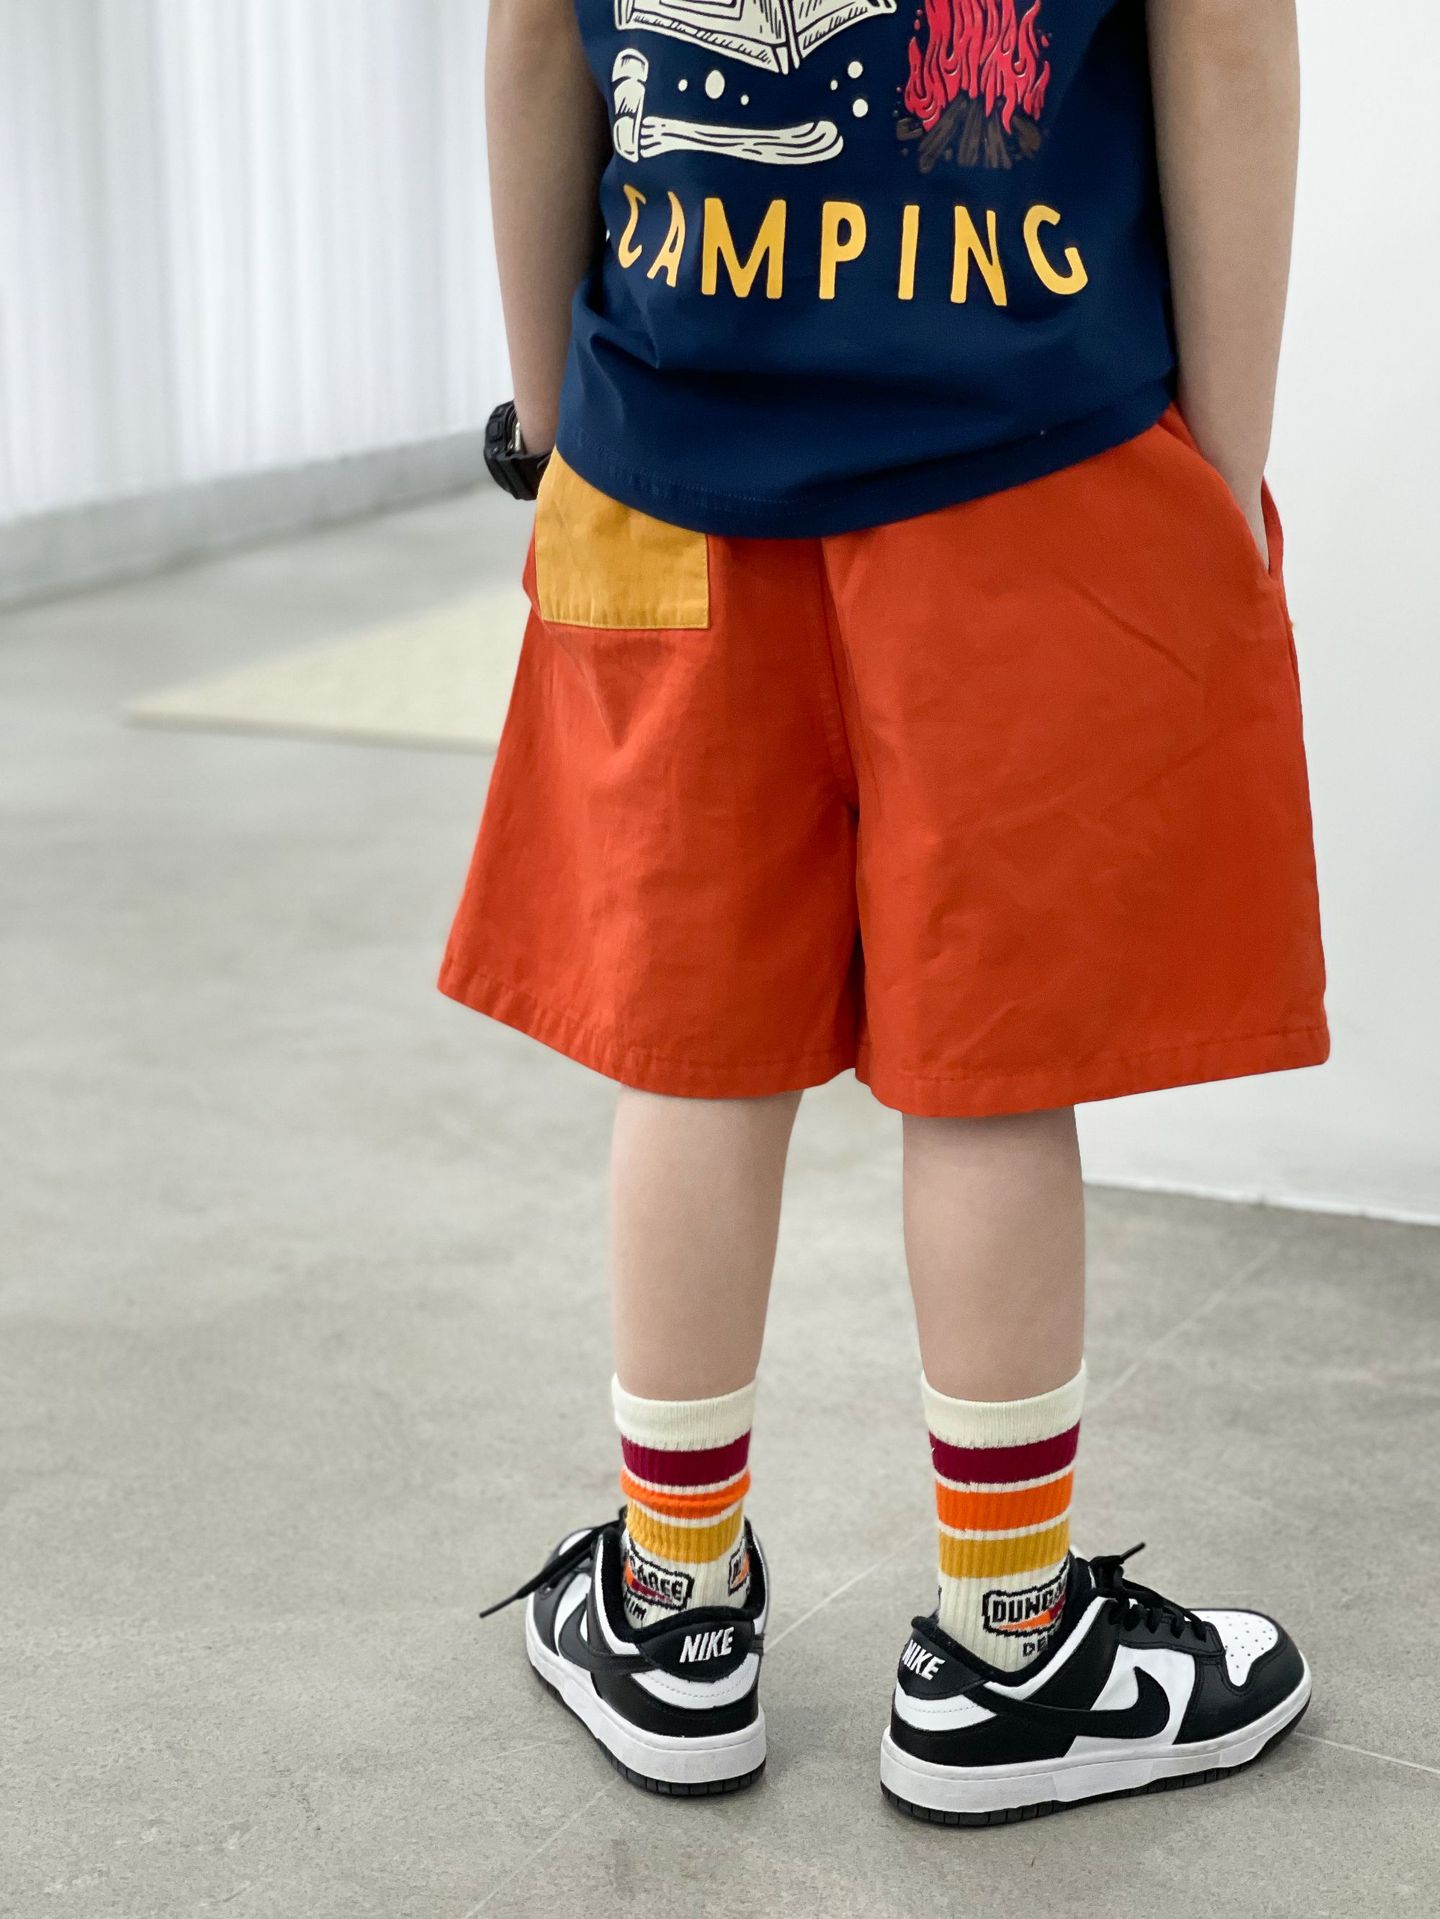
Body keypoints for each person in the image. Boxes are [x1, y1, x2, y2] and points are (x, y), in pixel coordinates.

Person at [447, 0, 1326, 1822]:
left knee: (694, 1045)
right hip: (1032, 455)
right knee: (991, 1061)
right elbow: (1228, 44)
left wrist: (549, 422)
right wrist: (1224, 468)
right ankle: (1011, 1651)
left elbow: (535, 48)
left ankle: (670, 1611)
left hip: (664, 446)